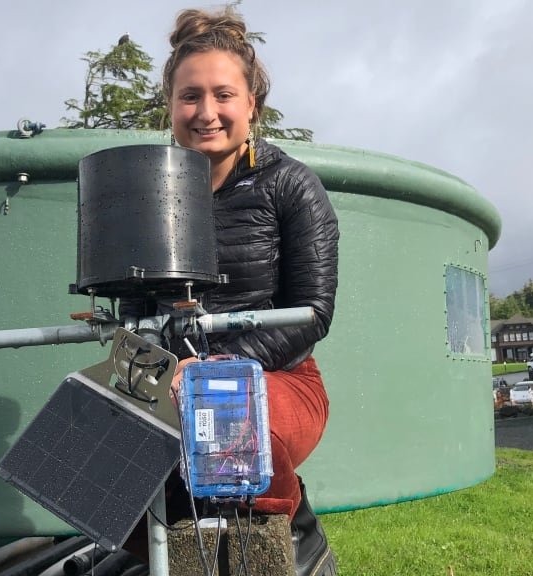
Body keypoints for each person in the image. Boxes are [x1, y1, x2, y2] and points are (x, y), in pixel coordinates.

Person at [122, 7, 340, 576]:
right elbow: (132, 305)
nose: (206, 112)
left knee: (220, 411)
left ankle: (298, 544)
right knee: (94, 456)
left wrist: (212, 370)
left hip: (283, 381)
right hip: (169, 380)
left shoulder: (291, 186)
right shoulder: (147, 195)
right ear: (170, 106)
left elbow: (312, 313)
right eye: (189, 96)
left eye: (223, 95)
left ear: (252, 106)